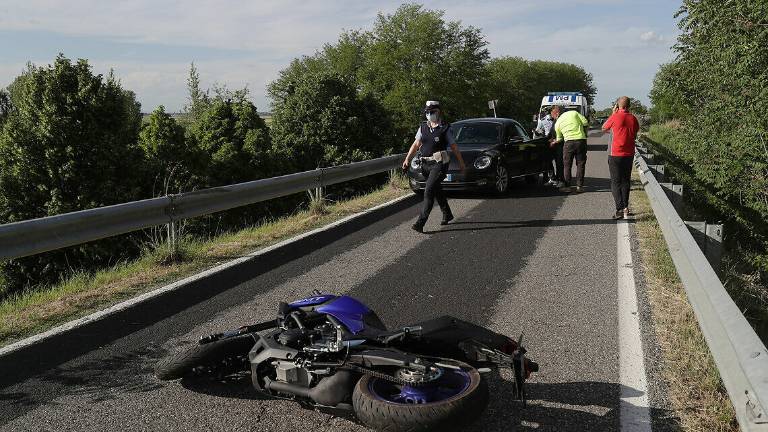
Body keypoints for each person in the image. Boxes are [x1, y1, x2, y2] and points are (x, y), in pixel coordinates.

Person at [402, 101, 467, 233]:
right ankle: (447, 213)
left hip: (439, 164)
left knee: (429, 191)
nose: (429, 114)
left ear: (438, 112)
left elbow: (453, 146)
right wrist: (407, 159)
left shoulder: (445, 128)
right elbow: (416, 144)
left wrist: (461, 162)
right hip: (425, 164)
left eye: (432, 112)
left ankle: (420, 223)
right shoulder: (423, 127)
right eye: (427, 112)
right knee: (437, 189)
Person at [602, 96, 640, 219]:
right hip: (629, 154)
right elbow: (635, 132)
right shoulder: (633, 118)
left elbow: (604, 128)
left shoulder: (615, 116)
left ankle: (619, 209)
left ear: (618, 106)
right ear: (629, 106)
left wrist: (613, 113)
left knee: (615, 182)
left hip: (615, 154)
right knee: (625, 181)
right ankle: (625, 208)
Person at [551, 105, 589, 193]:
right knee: (580, 164)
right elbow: (585, 122)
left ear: (558, 114)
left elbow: (559, 138)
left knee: (567, 166)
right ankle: (580, 186)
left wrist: (554, 142)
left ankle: (568, 186)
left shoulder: (558, 122)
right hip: (581, 141)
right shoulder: (574, 113)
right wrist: (584, 132)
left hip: (568, 143)